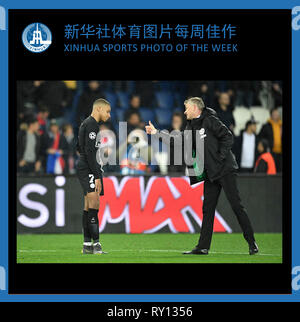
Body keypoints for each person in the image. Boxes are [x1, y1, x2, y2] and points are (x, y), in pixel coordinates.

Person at [145, 97, 258, 255]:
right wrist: (156, 133)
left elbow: (228, 137)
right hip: (211, 174)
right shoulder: (190, 127)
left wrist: (220, 157)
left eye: (186, 108)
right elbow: (177, 142)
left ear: (195, 108)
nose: (184, 112)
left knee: (236, 206)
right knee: (207, 209)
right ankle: (203, 247)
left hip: (225, 170)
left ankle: (252, 242)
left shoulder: (210, 120)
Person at [76, 98, 111, 255]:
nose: (109, 115)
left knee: (88, 206)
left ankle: (87, 245)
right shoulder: (92, 125)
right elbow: (89, 152)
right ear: (98, 109)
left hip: (85, 166)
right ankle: (96, 245)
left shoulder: (85, 123)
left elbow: (79, 146)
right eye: (107, 111)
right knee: (94, 204)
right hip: (89, 168)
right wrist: (96, 175)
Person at [258, 107, 282, 172]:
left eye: (277, 114)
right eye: (274, 114)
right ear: (271, 115)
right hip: (271, 152)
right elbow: (260, 137)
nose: (276, 115)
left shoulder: (281, 125)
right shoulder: (266, 126)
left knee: (280, 170)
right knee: (271, 170)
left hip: (280, 153)